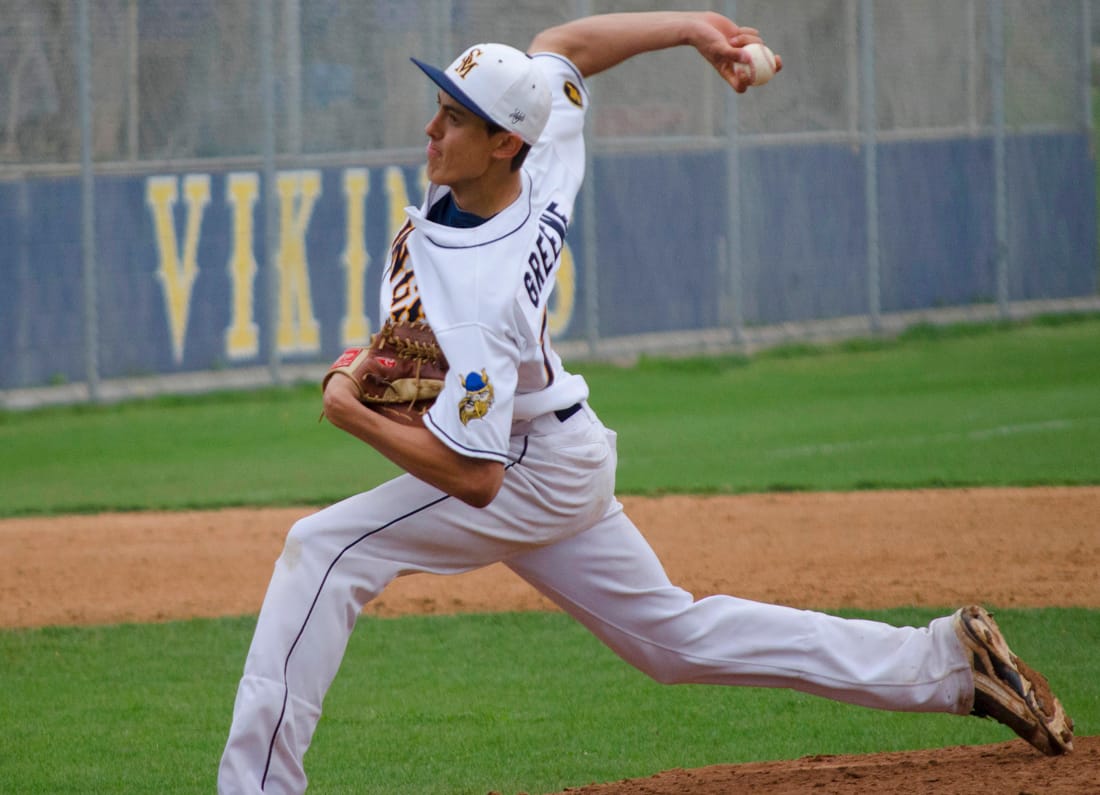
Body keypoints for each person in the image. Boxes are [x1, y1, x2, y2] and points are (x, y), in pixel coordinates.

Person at [217, 11, 1073, 793]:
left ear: (503, 142)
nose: (432, 129)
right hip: (558, 447)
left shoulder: (482, 294)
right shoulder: (542, 152)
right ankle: (944, 662)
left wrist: (354, 413)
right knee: (676, 640)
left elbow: (475, 480)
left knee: (324, 550)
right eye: (439, 106)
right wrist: (692, 27)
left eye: (454, 118)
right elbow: (561, 48)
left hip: (522, 465)